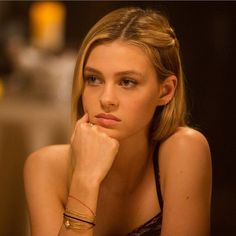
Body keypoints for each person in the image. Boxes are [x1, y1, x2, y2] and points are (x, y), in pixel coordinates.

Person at [24, 6, 212, 236]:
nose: (106, 99)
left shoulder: (184, 150)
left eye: (127, 82)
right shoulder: (45, 167)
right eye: (94, 79)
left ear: (165, 91)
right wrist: (85, 180)